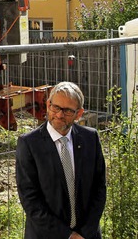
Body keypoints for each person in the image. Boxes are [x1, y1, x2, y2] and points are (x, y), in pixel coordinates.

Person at [16, 81, 107, 239]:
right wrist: (68, 236)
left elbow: (99, 188)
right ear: (48, 104)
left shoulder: (90, 139)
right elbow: (30, 200)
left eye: (67, 111)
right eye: (55, 107)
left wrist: (84, 233)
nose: (59, 115)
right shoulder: (30, 144)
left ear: (79, 114)